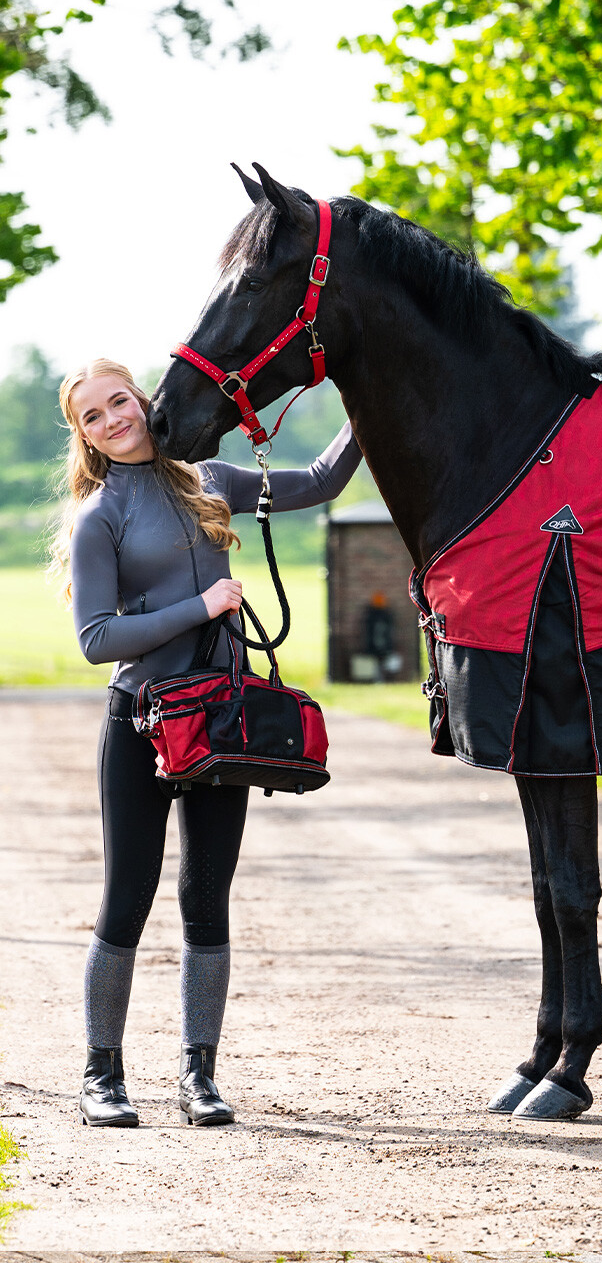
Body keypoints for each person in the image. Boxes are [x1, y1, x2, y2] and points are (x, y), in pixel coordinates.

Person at [49, 358, 363, 1128]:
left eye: (119, 400)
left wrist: (368, 395)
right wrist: (204, 604)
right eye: (93, 416)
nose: (114, 419)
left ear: (143, 398)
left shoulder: (209, 477)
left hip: (220, 720)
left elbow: (321, 481)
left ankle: (199, 1076)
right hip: (142, 723)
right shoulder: (101, 516)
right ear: (84, 436)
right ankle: (102, 1076)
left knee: (206, 897)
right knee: (128, 897)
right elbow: (96, 639)